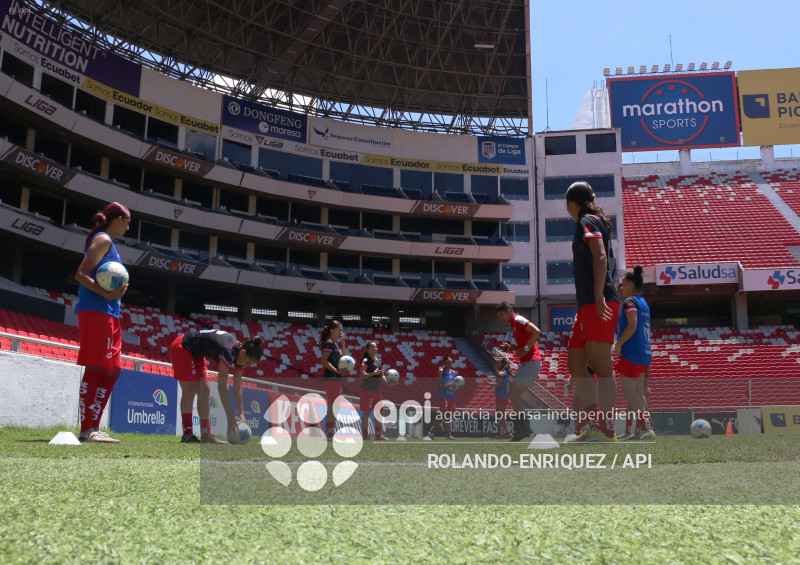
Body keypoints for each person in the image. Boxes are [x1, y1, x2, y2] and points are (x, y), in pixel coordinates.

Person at [565, 181, 621, 442]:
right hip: (587, 304)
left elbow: (600, 257)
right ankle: (592, 423)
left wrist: (598, 295)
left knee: (601, 366)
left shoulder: (586, 220)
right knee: (576, 363)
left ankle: (606, 429)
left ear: (571, 204)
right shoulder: (592, 219)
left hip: (599, 301)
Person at [74, 202, 131, 443]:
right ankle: (88, 430)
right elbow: (80, 273)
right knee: (97, 366)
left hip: (109, 311)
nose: (128, 227)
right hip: (97, 309)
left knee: (113, 368)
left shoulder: (108, 243)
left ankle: (93, 426)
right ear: (118, 219)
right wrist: (107, 294)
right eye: (128, 222)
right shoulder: (103, 240)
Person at [169, 329, 264, 443]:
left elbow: (237, 386)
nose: (247, 366)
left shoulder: (240, 355)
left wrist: (241, 414)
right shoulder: (228, 351)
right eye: (248, 363)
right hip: (183, 347)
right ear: (243, 352)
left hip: (197, 354)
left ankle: (206, 435)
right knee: (189, 390)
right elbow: (222, 386)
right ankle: (187, 435)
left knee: (205, 390)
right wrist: (229, 416)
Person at [615, 266, 654, 441]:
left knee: (630, 393)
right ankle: (638, 430)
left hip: (632, 353)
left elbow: (632, 325)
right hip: (644, 353)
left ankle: (646, 428)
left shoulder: (629, 302)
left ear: (631, 283)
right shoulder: (643, 302)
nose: (621, 287)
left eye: (623, 283)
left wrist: (619, 344)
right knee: (638, 394)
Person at [495, 301, 543, 441]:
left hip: (531, 362)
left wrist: (527, 348)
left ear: (509, 312)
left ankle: (524, 428)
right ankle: (523, 428)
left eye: (502, 315)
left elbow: (536, 331)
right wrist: (512, 349)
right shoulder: (515, 324)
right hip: (529, 363)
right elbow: (524, 345)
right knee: (513, 394)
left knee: (513, 394)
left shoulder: (517, 319)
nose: (501, 319)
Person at [319, 320, 348, 438]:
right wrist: (336, 371)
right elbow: (324, 361)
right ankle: (330, 431)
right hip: (331, 377)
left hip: (337, 378)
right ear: (332, 330)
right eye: (339, 330)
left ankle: (331, 430)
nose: (341, 332)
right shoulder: (329, 343)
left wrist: (343, 343)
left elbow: (344, 358)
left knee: (336, 405)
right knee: (332, 405)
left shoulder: (335, 344)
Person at [358, 341, 391, 440]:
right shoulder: (366, 360)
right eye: (372, 347)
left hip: (377, 390)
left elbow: (382, 377)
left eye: (375, 347)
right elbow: (362, 374)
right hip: (367, 390)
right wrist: (373, 373)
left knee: (380, 411)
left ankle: (378, 434)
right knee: (367, 413)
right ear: (367, 349)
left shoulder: (380, 361)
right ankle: (365, 435)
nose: (375, 348)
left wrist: (389, 382)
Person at [427, 357, 458, 440]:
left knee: (448, 416)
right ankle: (431, 432)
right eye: (448, 362)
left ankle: (448, 435)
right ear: (444, 363)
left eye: (451, 362)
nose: (450, 364)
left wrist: (456, 385)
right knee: (442, 414)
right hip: (443, 395)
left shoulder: (453, 372)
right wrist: (447, 386)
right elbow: (439, 385)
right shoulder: (441, 371)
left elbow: (453, 383)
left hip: (451, 395)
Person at [482, 357, 513, 439]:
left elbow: (498, 385)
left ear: (503, 364)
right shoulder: (504, 373)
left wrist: (488, 383)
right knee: (500, 416)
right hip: (502, 396)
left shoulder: (502, 373)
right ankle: (500, 434)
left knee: (500, 416)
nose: (496, 365)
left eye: (498, 363)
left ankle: (508, 433)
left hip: (501, 396)